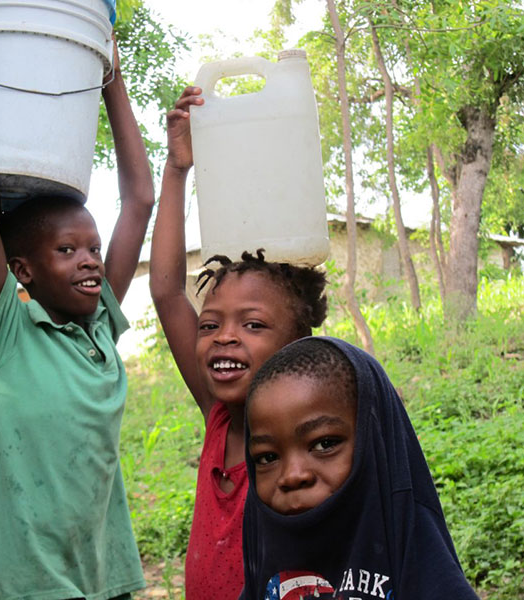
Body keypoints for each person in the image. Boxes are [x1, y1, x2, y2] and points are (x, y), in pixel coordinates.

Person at [0, 40, 154, 600]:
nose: (90, 258)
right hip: (28, 579)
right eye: (67, 250)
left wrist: (109, 72)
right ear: (23, 270)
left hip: (101, 569)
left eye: (92, 247)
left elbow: (139, 197)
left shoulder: (101, 328)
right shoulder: (11, 331)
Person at [149, 86, 328, 600]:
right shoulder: (218, 416)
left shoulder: (309, 441)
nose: (224, 336)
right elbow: (165, 289)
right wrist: (177, 168)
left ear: (297, 343)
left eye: (252, 325)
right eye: (210, 325)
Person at [240, 337, 479, 600]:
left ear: (374, 442)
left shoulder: (419, 560)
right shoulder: (263, 555)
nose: (292, 475)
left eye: (325, 444)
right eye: (266, 458)